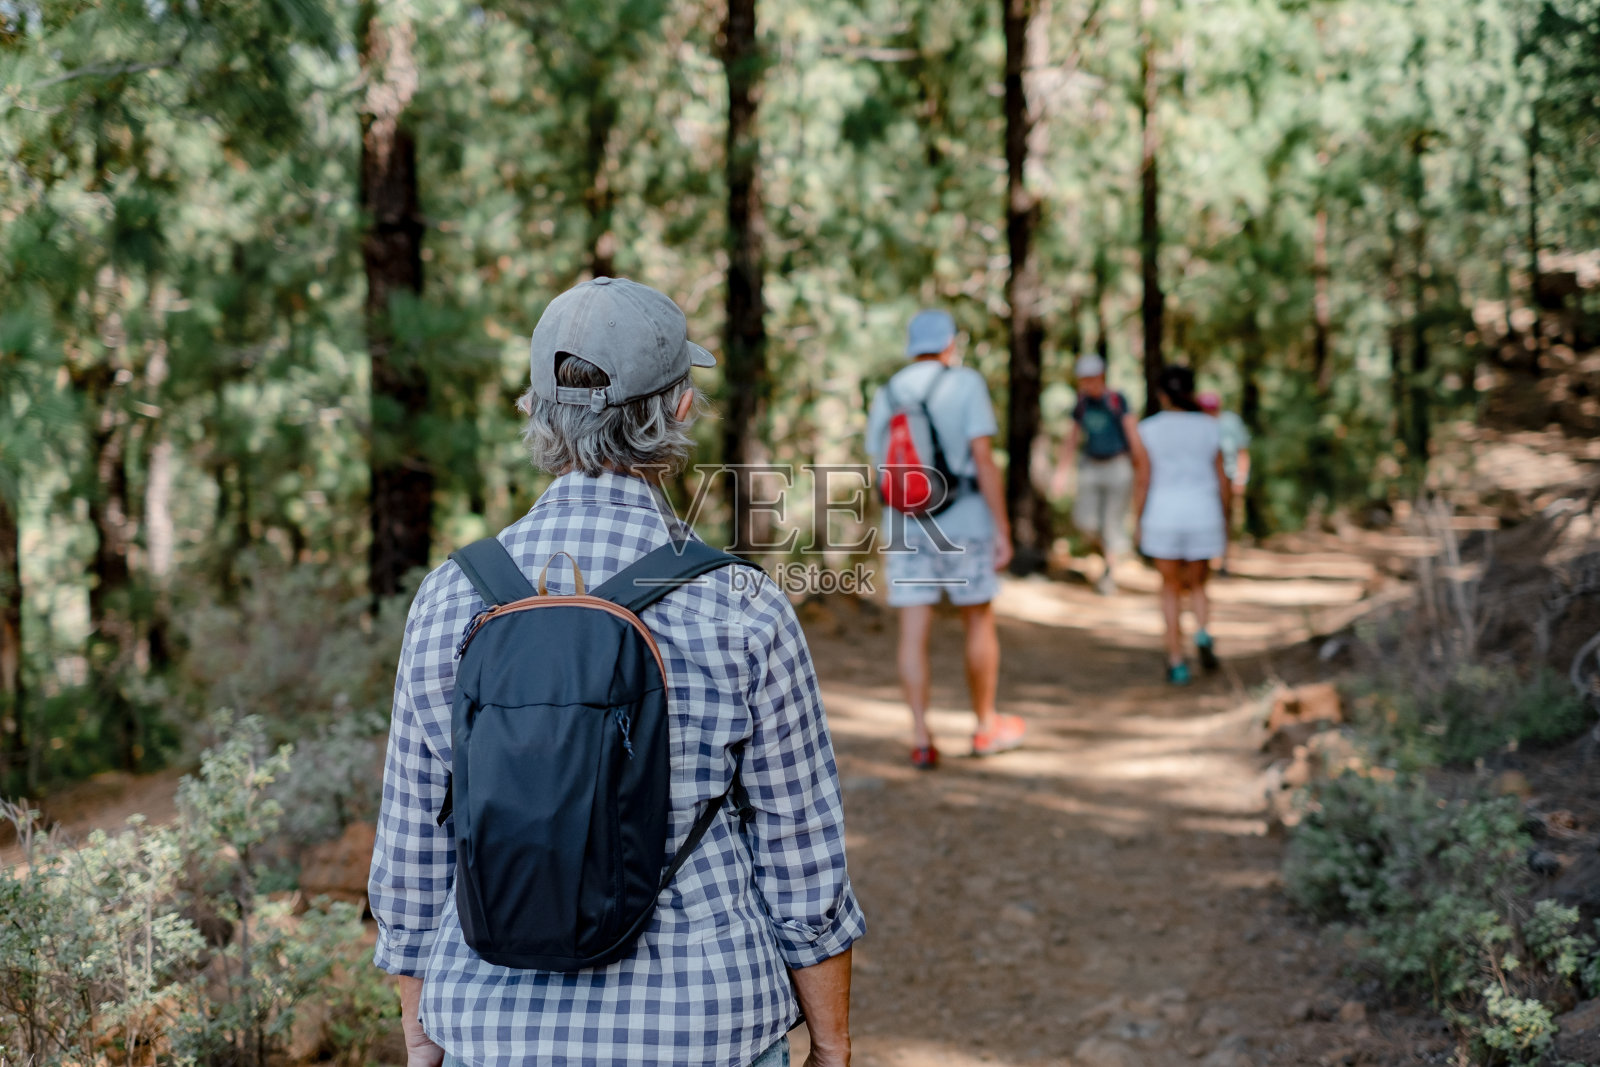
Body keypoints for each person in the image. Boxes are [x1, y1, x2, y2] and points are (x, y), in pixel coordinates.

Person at [368, 278, 865, 1067]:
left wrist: (423, 1035)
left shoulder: (450, 596)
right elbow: (803, 856)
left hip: (494, 1028)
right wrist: (832, 1045)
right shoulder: (742, 605)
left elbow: (412, 852)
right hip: (703, 1029)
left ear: (534, 410)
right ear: (679, 410)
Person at [866, 308, 1025, 769]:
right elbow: (983, 457)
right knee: (978, 619)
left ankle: (920, 736)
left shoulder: (889, 390)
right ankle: (984, 725)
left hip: (907, 525)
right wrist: (1003, 528)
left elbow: (881, 466)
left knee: (913, 631)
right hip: (966, 520)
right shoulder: (966, 383)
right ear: (950, 343)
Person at [1133, 365, 1229, 685]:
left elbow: (1144, 479)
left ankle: (1176, 661)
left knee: (1170, 588)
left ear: (1162, 394)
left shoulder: (1148, 429)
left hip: (1163, 515)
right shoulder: (1210, 427)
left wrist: (1138, 520)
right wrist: (1226, 516)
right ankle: (1202, 632)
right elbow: (1222, 477)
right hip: (1203, 512)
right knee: (1200, 583)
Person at [1051, 354, 1145, 596]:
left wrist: (1140, 468)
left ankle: (1108, 573)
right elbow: (1072, 438)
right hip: (1091, 466)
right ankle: (1105, 555)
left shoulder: (1117, 400)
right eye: (1083, 379)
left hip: (1118, 465)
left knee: (1112, 524)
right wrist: (1061, 473)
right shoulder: (1081, 404)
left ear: (1100, 376)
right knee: (1086, 522)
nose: (1087, 383)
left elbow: (1132, 433)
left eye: (1090, 378)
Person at [1197, 391, 1251, 576]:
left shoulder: (1230, 422)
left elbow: (1242, 451)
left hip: (1227, 476)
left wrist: (1241, 478)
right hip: (1202, 479)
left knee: (1224, 519)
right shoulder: (1197, 424)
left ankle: (1224, 561)